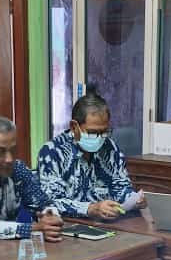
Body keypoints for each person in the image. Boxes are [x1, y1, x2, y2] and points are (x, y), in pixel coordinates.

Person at [37, 89, 143, 220]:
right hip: (67, 225)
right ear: (74, 127)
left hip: (107, 222)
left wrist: (134, 199)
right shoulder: (52, 152)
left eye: (104, 132)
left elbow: (121, 187)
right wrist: (90, 209)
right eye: (92, 132)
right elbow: (50, 202)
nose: (99, 138)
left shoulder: (110, 148)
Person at [0, 114, 63, 242]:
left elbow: (43, 203)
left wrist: (51, 217)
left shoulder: (17, 169)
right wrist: (31, 229)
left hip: (9, 247)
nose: (9, 159)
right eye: (0, 152)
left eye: (13, 150)